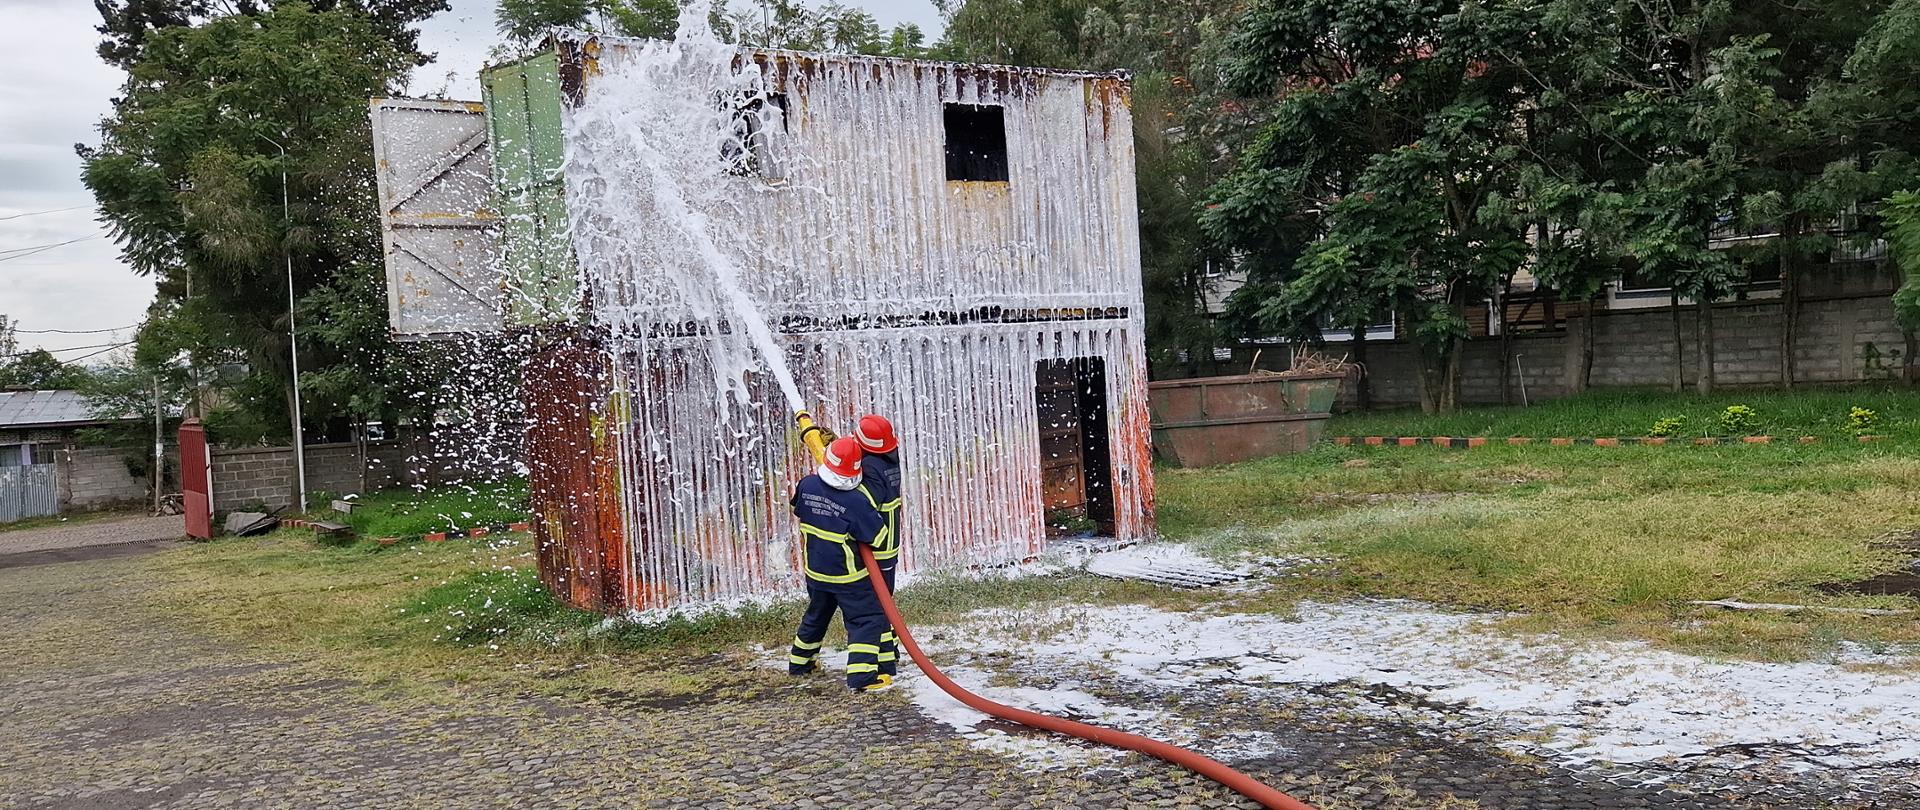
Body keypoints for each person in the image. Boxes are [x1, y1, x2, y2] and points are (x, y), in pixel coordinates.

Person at [787, 436, 895, 692]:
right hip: (848, 577)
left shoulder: (807, 484)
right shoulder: (856, 501)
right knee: (867, 619)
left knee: (817, 615)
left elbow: (797, 506)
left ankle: (800, 664)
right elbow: (879, 538)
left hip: (816, 572)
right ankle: (862, 677)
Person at [854, 414, 904, 678]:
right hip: (889, 545)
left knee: (875, 606)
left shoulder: (871, 469)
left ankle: (884, 660)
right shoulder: (889, 458)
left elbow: (861, 504)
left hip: (876, 546)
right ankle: (890, 650)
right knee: (884, 602)